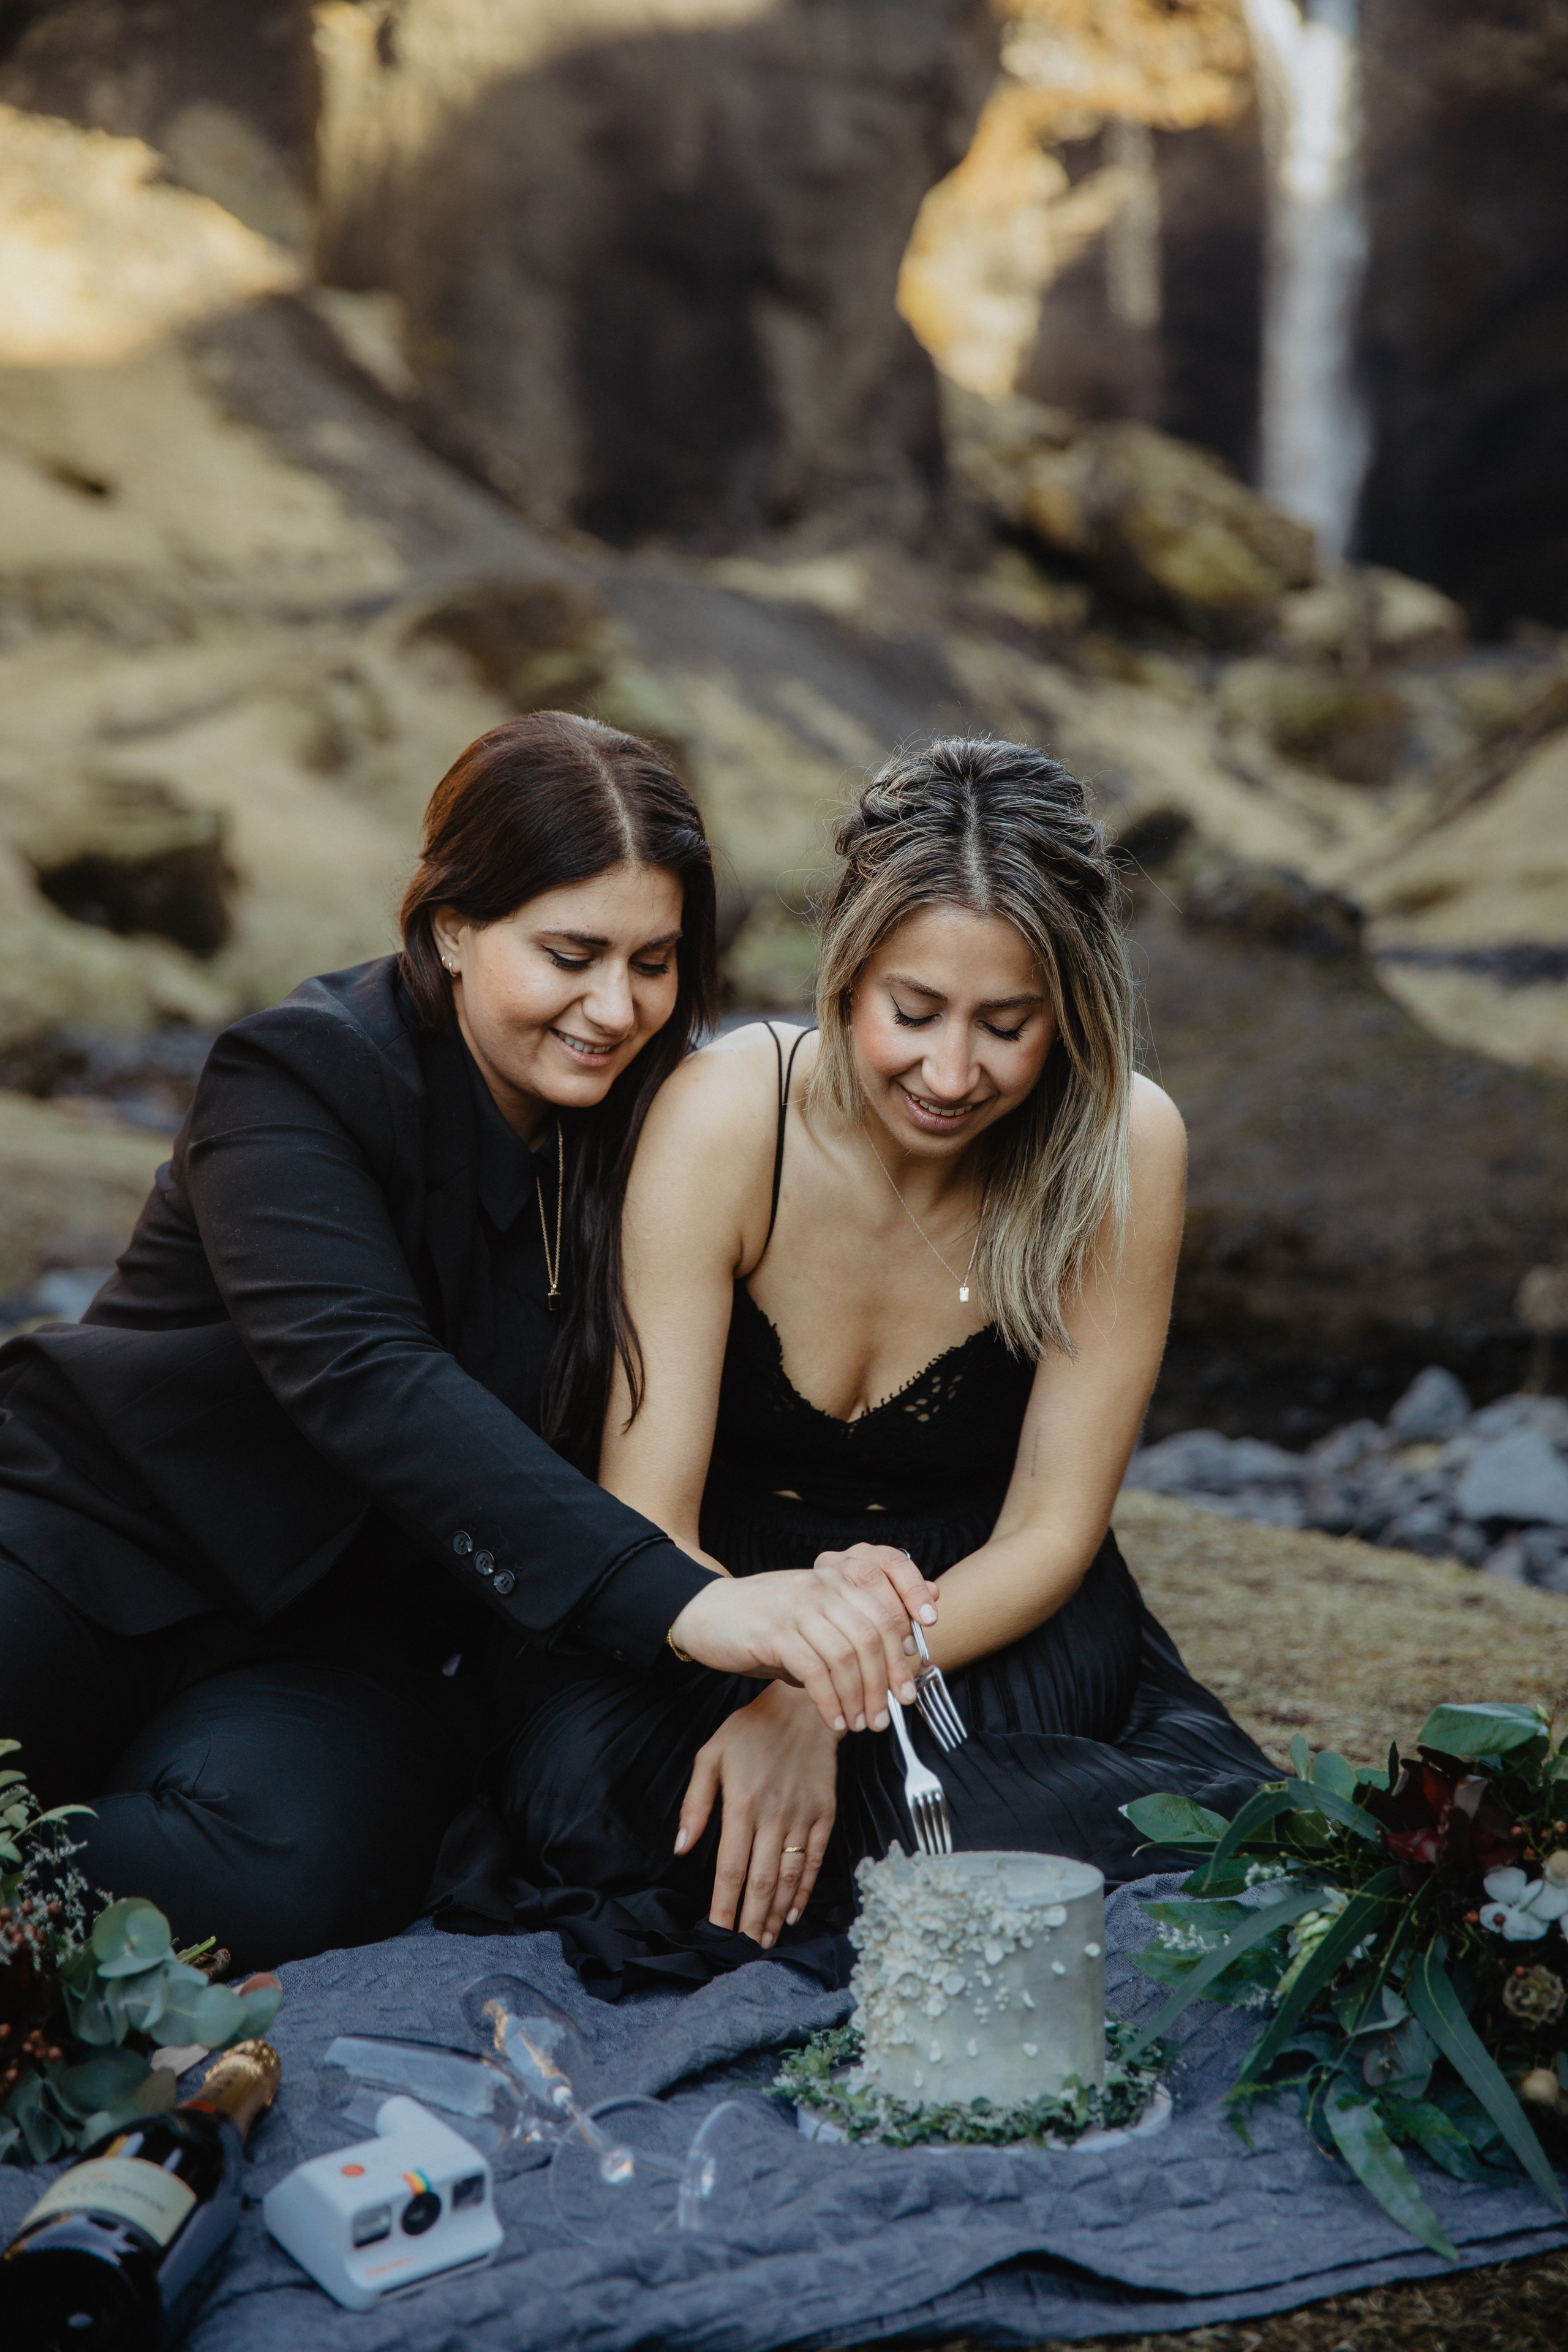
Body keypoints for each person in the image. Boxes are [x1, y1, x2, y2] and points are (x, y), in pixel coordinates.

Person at [0, 712, 933, 1970]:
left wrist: (843, 1585)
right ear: (450, 928)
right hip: (103, 1546)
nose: (616, 1007)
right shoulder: (299, 1075)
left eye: (655, 962)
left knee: (291, 1879)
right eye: (569, 955)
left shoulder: (677, 1132)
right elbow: (364, 1375)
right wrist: (690, 1605)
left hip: (353, 1652)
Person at [432, 736, 1273, 1995]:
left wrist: (822, 1703)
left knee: (983, 1823)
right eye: (912, 1014)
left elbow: (1050, 1532)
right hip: (712, 1595)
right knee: (596, 1805)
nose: (951, 1074)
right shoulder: (728, 1114)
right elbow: (647, 1516)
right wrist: (772, 1664)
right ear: (845, 970)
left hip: (971, 1607)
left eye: (1007, 1026)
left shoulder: (1123, 1145)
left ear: (1071, 1008)